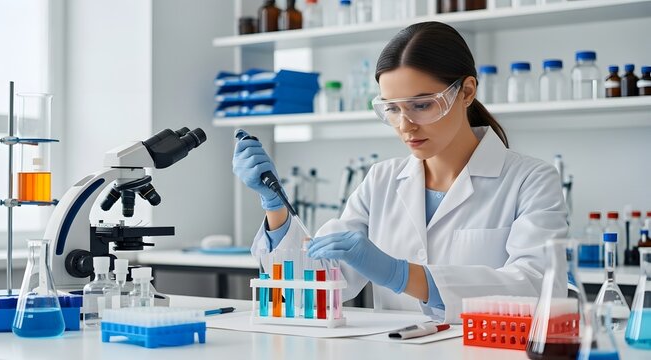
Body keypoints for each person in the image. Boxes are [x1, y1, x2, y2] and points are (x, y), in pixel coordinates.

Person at [232, 21, 568, 323]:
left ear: (466, 92)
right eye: (392, 108)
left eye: (422, 105)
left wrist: (401, 275)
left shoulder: (531, 180)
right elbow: (312, 286)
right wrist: (274, 204)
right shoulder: (381, 180)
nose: (405, 125)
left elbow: (539, 288)